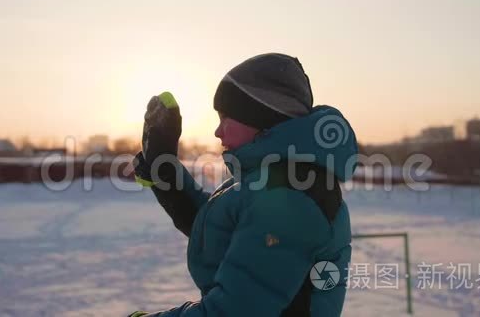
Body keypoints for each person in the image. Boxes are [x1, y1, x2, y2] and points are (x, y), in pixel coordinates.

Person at [130, 53, 358, 317]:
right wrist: (164, 170)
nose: (218, 131)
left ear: (261, 118)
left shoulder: (292, 198)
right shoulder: (273, 181)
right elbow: (217, 228)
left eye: (226, 117)